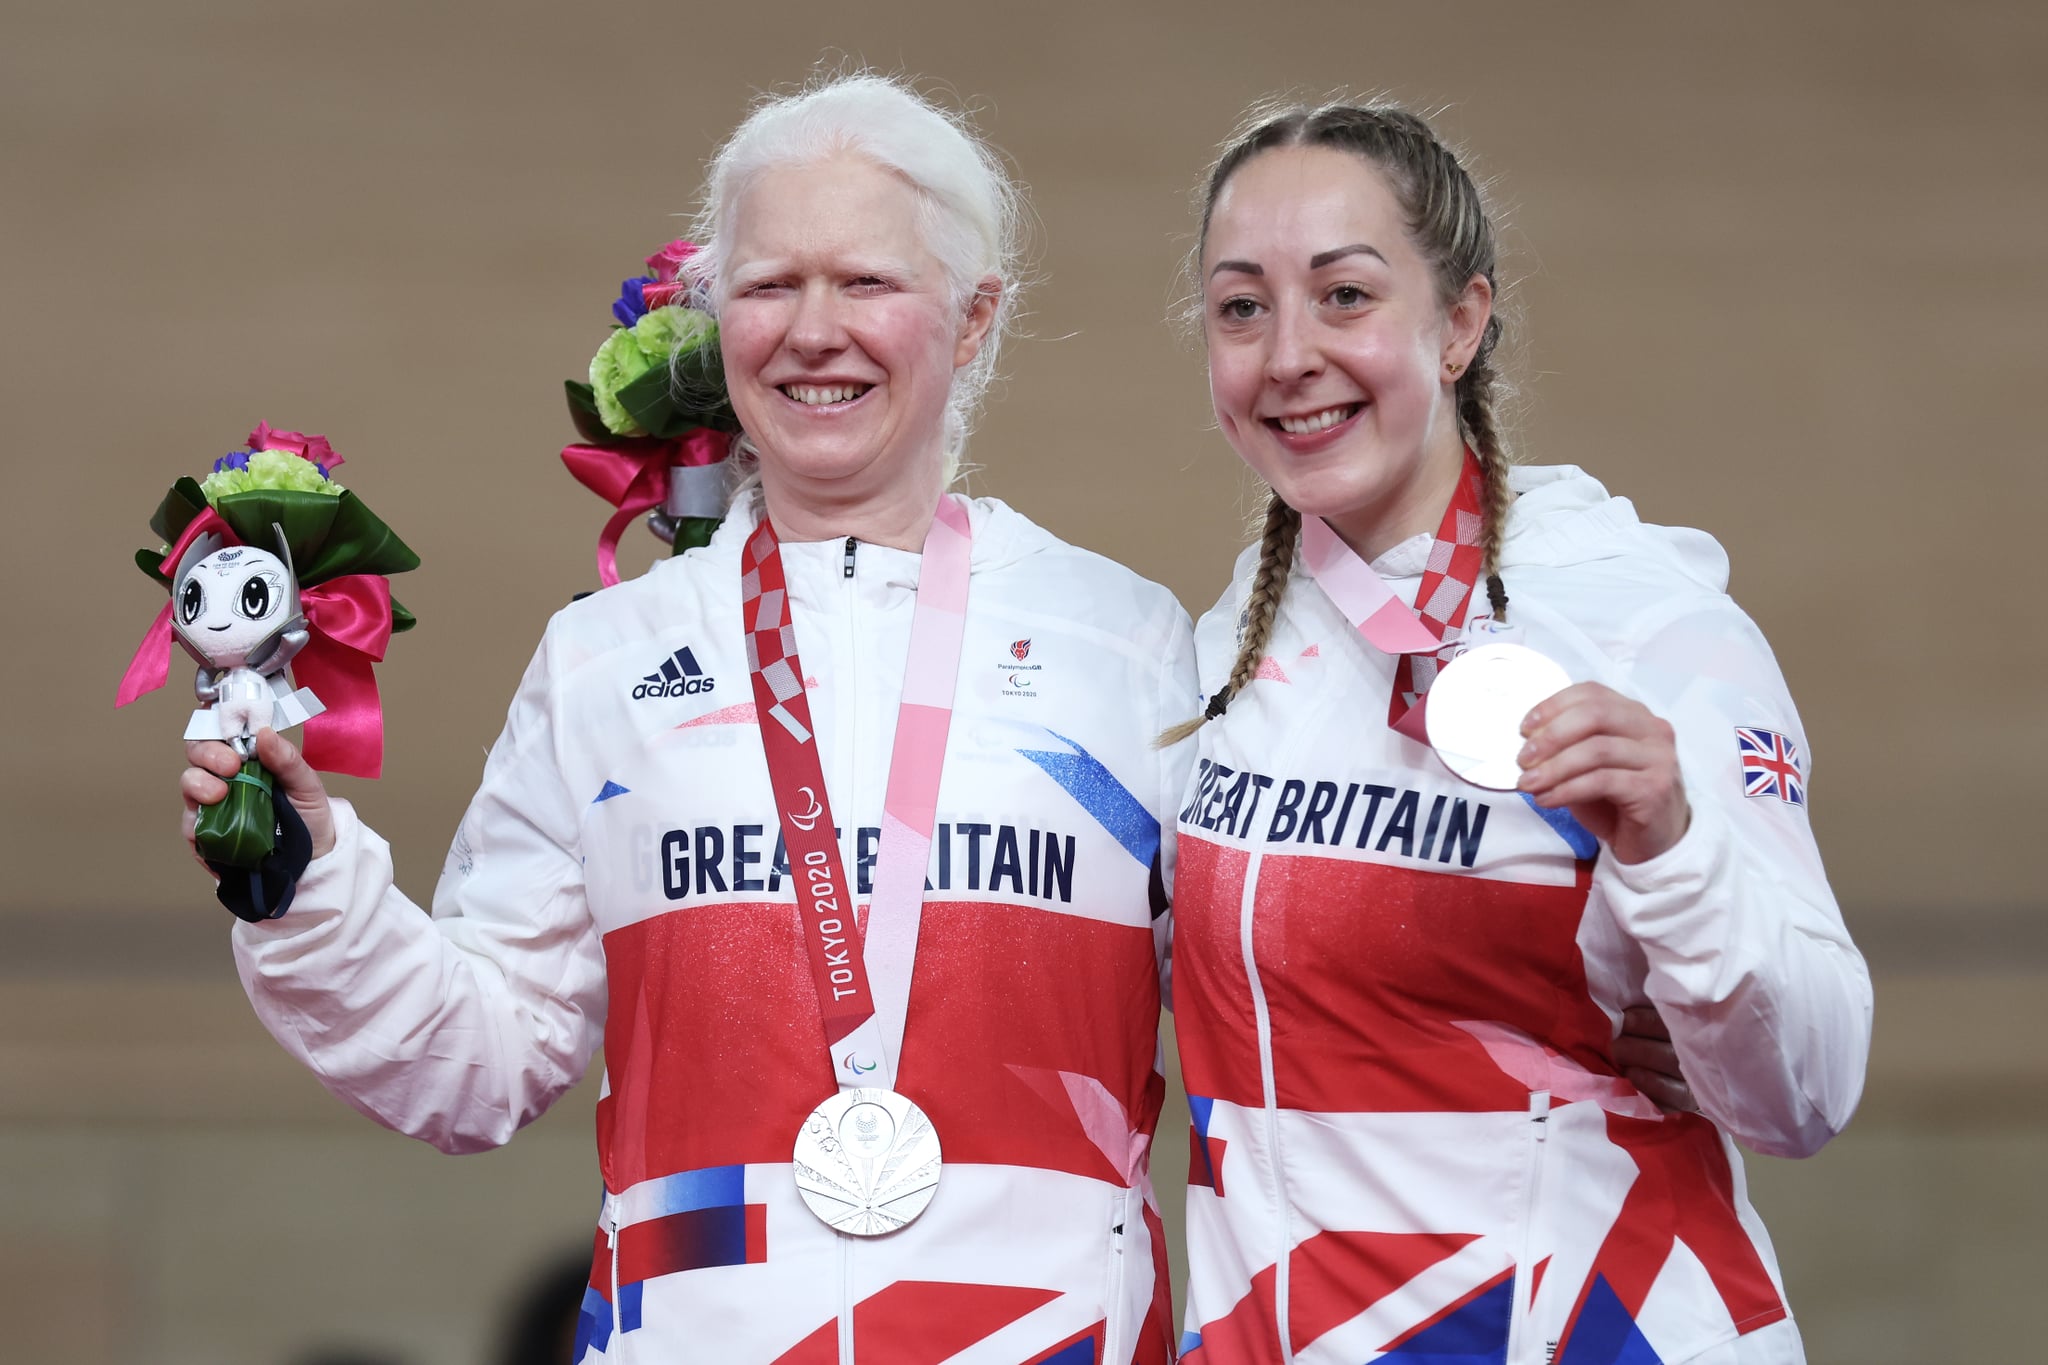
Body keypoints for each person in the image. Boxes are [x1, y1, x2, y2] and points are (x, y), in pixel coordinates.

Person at [181, 74, 1194, 1364]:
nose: (813, 331)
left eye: (867, 284)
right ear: (716, 323)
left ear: (975, 316)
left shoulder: (1124, 644)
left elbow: (1266, 1022)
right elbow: (481, 1059)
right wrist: (305, 883)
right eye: (769, 287)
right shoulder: (609, 658)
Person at [1163, 102, 1872, 1365]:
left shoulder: (1643, 621)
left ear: (1460, 325)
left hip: (1589, 1331)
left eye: (1343, 296)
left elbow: (1804, 1089)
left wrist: (1671, 850)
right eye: (1240, 308)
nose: (1285, 355)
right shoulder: (1225, 652)